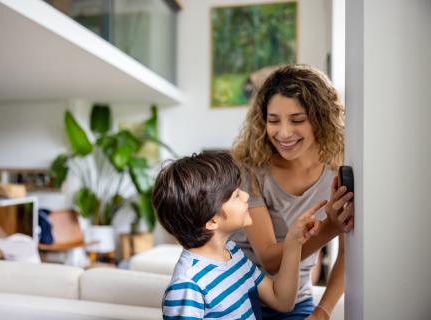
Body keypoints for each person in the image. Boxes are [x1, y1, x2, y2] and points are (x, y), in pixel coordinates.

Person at [231, 64, 354, 320]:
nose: (283, 133)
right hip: (239, 298)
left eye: (297, 120)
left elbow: (348, 253)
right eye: (273, 120)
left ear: (321, 119)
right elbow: (270, 260)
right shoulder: (251, 170)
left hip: (296, 301)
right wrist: (331, 227)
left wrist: (322, 312)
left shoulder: (339, 171)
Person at [152, 151, 327, 320]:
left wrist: (293, 243)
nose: (246, 195)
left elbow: (282, 302)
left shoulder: (232, 253)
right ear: (212, 221)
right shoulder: (188, 285)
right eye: (236, 195)